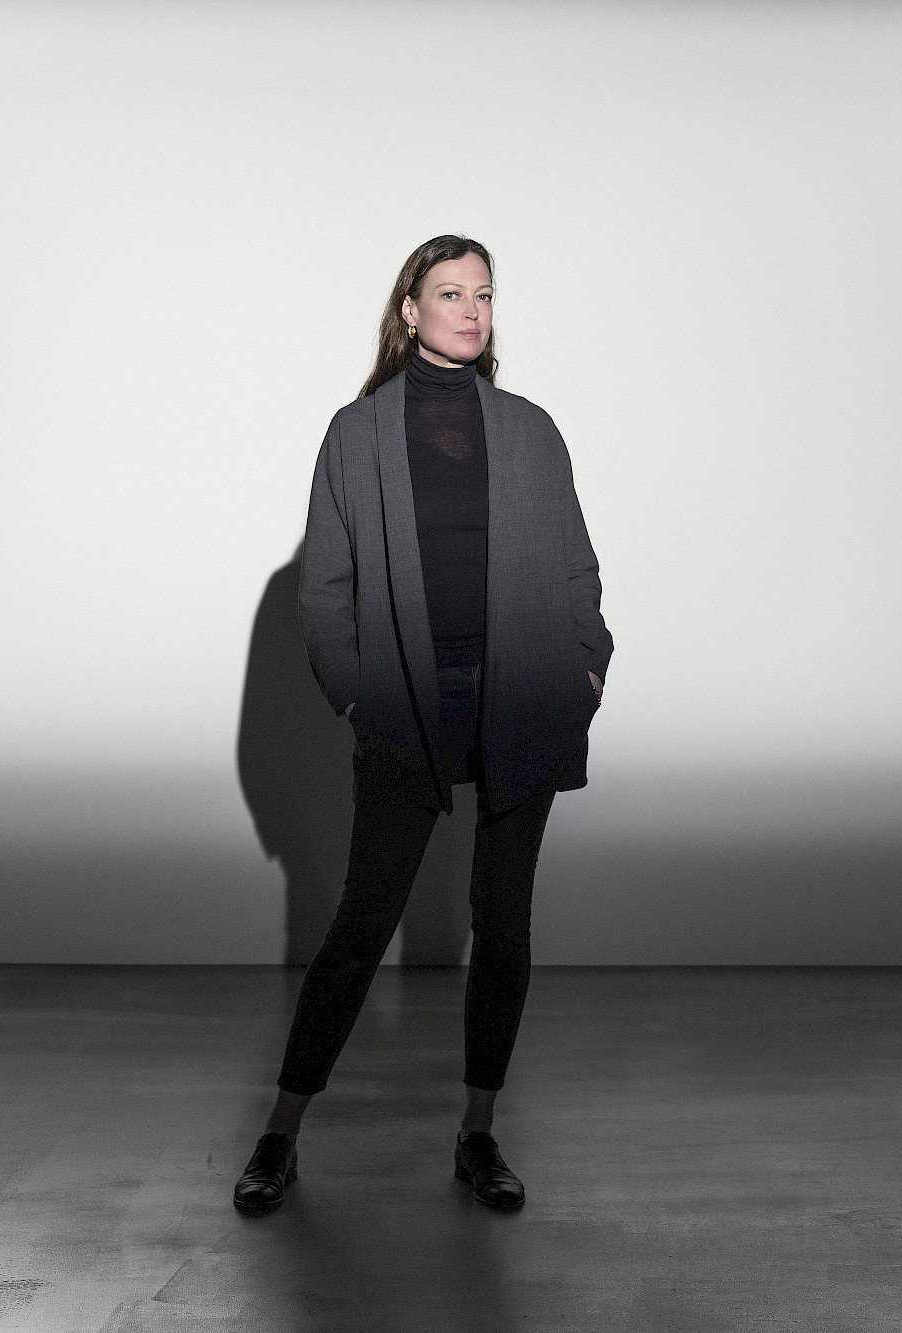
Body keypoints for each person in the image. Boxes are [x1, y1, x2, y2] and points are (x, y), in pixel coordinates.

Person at [234, 234, 613, 1215]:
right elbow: (325, 589)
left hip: (523, 691)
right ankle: (280, 1131)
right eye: (450, 293)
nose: (471, 310)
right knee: (362, 923)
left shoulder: (529, 429)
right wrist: (360, 696)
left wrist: (587, 663)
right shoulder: (356, 434)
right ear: (409, 310)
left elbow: (576, 563)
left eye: (484, 294)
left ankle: (479, 1132)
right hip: (406, 698)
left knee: (504, 926)